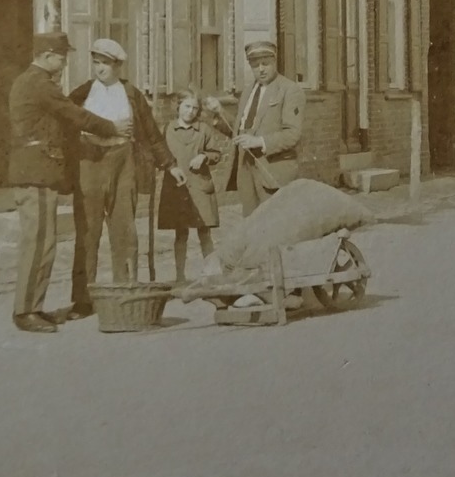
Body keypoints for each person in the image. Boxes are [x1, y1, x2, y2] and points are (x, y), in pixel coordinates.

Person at [7, 32, 121, 333]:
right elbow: (75, 115)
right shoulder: (39, 84)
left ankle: (33, 306)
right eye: (62, 56)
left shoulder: (34, 82)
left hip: (39, 171)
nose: (64, 61)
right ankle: (25, 311)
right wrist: (111, 127)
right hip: (36, 171)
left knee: (43, 242)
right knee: (38, 243)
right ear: (47, 55)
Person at [65, 38, 180, 314]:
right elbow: (64, 124)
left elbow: (151, 133)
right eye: (96, 62)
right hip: (89, 163)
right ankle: (83, 299)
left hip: (122, 162)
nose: (99, 68)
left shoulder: (131, 95)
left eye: (105, 63)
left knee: (124, 230)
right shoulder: (81, 94)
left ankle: (125, 291)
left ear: (117, 66)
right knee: (88, 233)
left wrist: (170, 164)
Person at [225, 39, 306, 217]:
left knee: (274, 227)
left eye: (265, 64)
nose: (260, 69)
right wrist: (218, 117)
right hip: (246, 170)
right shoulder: (248, 92)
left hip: (273, 172)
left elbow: (293, 134)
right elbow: (243, 129)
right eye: (255, 65)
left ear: (275, 62)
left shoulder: (289, 90)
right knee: (251, 227)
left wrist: (259, 141)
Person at [157, 89, 230, 283]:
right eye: (187, 106)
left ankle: (212, 274)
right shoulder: (167, 129)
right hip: (177, 189)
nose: (190, 111)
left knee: (204, 233)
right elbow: (159, 156)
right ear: (178, 106)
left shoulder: (203, 129)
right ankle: (180, 276)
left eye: (195, 108)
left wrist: (204, 156)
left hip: (199, 187)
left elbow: (216, 153)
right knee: (181, 234)